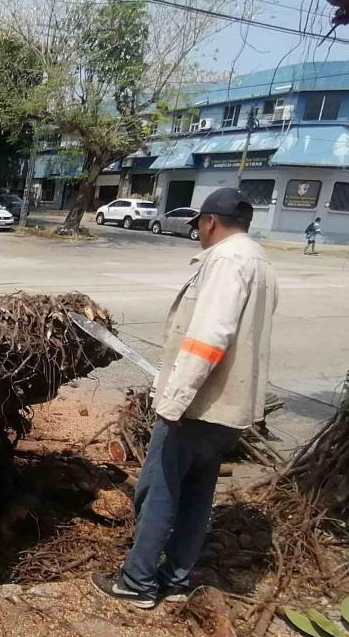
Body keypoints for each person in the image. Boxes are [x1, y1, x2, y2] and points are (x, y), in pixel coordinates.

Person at [93, 188, 278, 609]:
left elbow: (210, 338)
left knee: (159, 491)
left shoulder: (227, 262)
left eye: (199, 225)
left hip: (198, 406)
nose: (198, 233)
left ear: (210, 221)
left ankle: (137, 582)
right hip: (227, 411)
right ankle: (176, 580)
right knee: (197, 495)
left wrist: (174, 402)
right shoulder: (260, 262)